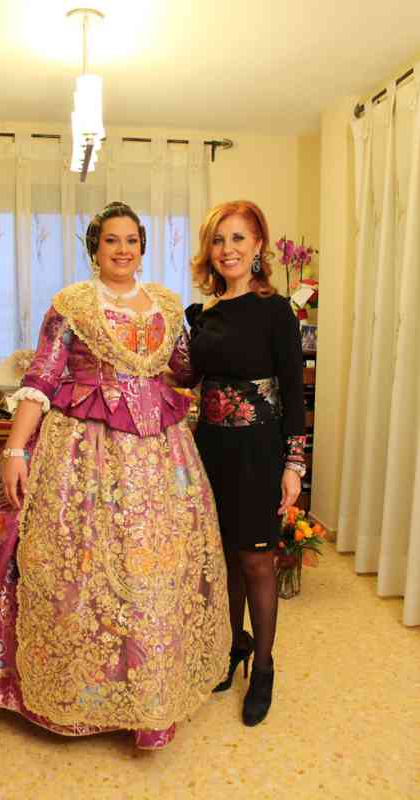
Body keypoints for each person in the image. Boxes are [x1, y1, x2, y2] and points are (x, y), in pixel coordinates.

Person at [0, 202, 231, 750]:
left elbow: (184, 369)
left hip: (160, 458)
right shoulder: (72, 305)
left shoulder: (166, 304)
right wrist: (15, 451)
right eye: (111, 240)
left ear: (143, 247)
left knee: (154, 572)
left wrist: (212, 328)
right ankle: (83, 695)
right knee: (84, 571)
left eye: (131, 240)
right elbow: (42, 378)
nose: (122, 250)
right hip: (84, 457)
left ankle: (151, 697)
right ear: (95, 248)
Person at [185, 200, 306, 726]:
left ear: (258, 245)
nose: (227, 249)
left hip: (259, 451)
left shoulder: (276, 311)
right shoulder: (203, 315)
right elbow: (185, 379)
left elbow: (294, 394)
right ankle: (234, 646)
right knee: (225, 559)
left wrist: (293, 464)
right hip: (211, 449)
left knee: (257, 561)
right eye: (218, 240)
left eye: (238, 238)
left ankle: (264, 667)